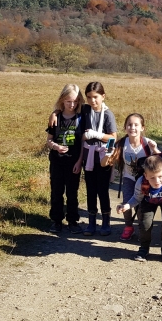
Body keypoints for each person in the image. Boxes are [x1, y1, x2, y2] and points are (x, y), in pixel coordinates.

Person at [51, 82, 117, 236]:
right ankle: (92, 222)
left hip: (103, 158)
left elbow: (113, 138)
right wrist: (54, 113)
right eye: (89, 97)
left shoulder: (108, 114)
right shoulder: (86, 109)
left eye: (95, 97)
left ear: (103, 96)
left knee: (102, 190)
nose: (92, 100)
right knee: (90, 190)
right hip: (88, 158)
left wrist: (97, 136)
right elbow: (67, 107)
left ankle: (106, 222)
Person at [100, 113, 159, 240]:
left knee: (141, 206)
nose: (132, 127)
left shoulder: (147, 143)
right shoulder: (121, 143)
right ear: (125, 127)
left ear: (142, 128)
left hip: (145, 180)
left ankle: (142, 228)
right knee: (127, 203)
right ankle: (128, 227)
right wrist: (108, 154)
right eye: (129, 125)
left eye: (136, 125)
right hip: (129, 178)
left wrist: (155, 150)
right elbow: (104, 164)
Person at [116, 155, 162, 263]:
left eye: (160, 176)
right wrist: (126, 206)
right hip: (148, 200)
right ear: (145, 175)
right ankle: (144, 247)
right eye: (152, 177)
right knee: (145, 224)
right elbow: (136, 198)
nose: (157, 181)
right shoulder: (141, 182)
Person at [45, 84, 85, 233]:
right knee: (56, 192)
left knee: (72, 193)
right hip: (57, 162)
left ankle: (73, 221)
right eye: (68, 101)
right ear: (62, 100)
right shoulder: (56, 118)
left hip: (73, 162)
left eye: (75, 101)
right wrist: (55, 146)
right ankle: (56, 221)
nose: (72, 104)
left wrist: (80, 161)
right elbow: (49, 140)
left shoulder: (81, 118)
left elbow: (83, 143)